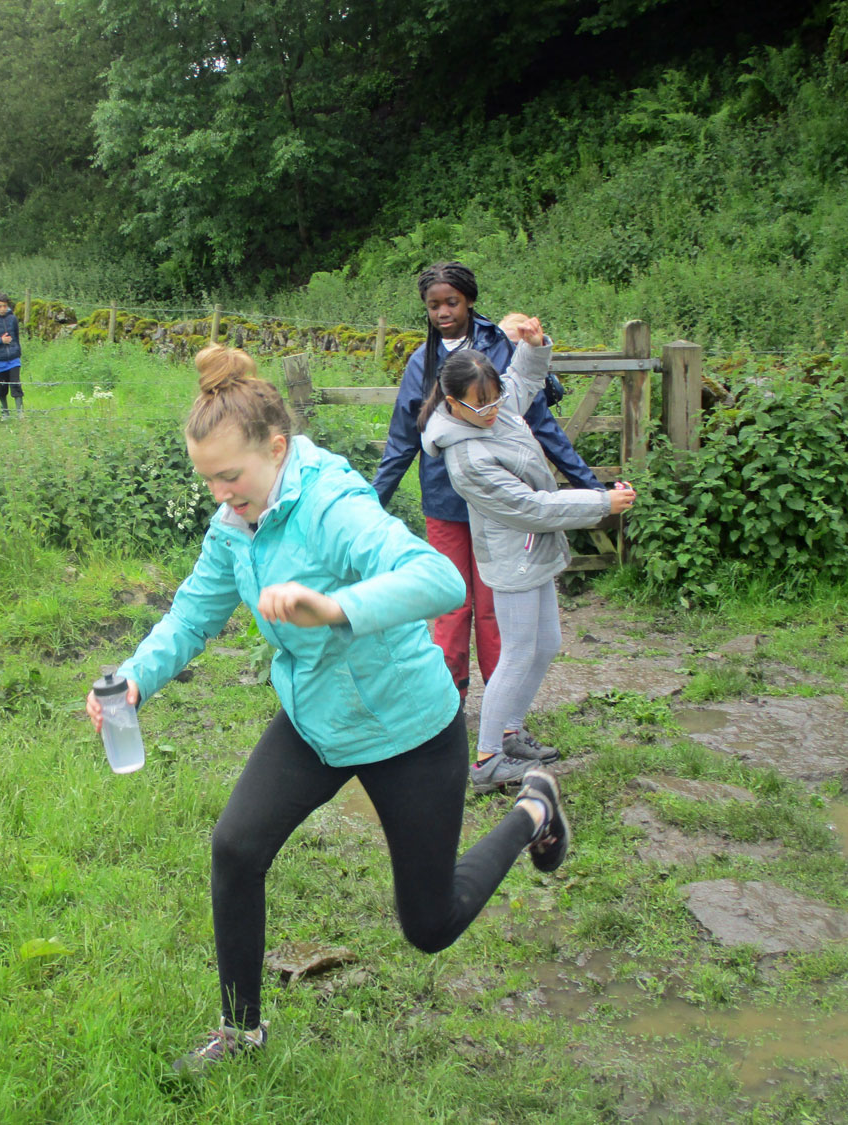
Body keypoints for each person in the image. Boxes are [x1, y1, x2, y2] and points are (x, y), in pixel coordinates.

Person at [85, 343, 570, 1077]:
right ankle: (242, 1032)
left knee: (430, 924)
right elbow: (192, 612)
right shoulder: (236, 523)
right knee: (236, 848)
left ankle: (534, 809)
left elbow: (438, 579)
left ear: (276, 448)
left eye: (231, 476)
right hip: (315, 721)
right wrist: (133, 678)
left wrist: (333, 606)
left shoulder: (332, 505)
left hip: (406, 727)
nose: (221, 493)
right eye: (208, 480)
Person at [371, 262, 604, 775]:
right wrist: (370, 505)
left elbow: (535, 414)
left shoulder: (500, 345)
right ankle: (445, 722)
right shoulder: (420, 362)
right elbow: (401, 441)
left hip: (503, 507)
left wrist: (588, 485)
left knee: (501, 614)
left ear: (469, 301)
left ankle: (504, 730)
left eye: (451, 303)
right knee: (450, 611)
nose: (443, 313)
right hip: (450, 506)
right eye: (434, 306)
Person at [422, 315, 637, 793]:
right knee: (518, 653)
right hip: (514, 555)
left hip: (532, 549)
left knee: (546, 644)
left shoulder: (494, 410)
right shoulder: (467, 457)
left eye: (495, 395)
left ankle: (510, 732)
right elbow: (530, 507)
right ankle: (486, 761)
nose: (494, 407)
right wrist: (602, 502)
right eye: (481, 403)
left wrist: (535, 347)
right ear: (453, 404)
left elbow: (521, 382)